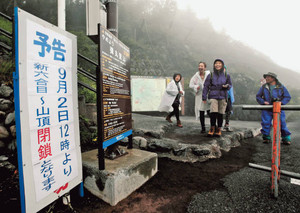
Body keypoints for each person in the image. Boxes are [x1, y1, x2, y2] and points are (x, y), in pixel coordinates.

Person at [256, 72, 291, 144]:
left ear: (273, 78)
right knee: (266, 123)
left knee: (282, 123)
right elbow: (258, 96)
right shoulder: (264, 87)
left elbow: (287, 97)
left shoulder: (281, 87)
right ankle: (266, 138)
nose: (266, 78)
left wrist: (281, 103)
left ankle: (286, 138)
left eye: (268, 77)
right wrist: (263, 102)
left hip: (278, 108)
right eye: (266, 77)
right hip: (267, 108)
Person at [202, 59, 232, 137]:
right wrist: (204, 96)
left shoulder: (226, 75)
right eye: (216, 63)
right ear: (214, 65)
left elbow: (230, 85)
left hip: (223, 95)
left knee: (220, 114)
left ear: (222, 65)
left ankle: (218, 129)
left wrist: (227, 86)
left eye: (219, 63)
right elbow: (206, 86)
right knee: (213, 113)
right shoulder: (211, 75)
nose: (217, 65)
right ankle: (212, 128)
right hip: (213, 95)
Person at [189, 61, 210, 133]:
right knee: (201, 110)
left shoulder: (208, 74)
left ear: (205, 68)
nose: (200, 67)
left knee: (210, 111)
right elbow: (190, 85)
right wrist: (196, 86)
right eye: (199, 66)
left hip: (208, 94)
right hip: (199, 95)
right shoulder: (196, 76)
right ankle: (203, 127)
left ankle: (214, 126)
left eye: (202, 66)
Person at [223, 65, 235, 132]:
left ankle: (226, 125)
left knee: (228, 111)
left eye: (224, 69)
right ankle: (218, 126)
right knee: (220, 112)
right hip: (221, 97)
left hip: (228, 97)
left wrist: (231, 97)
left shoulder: (228, 76)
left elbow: (230, 87)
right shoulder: (218, 77)